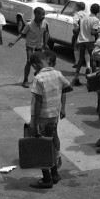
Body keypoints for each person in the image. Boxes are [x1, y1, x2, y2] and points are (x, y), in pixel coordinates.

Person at [29, 50, 73, 188]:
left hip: (41, 117)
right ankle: (55, 175)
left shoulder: (38, 78)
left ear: (35, 65)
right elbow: (69, 87)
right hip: (53, 116)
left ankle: (47, 179)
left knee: (41, 147)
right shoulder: (57, 74)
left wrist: (34, 124)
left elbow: (38, 103)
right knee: (52, 143)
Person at [8, 7, 49, 88]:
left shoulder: (45, 23)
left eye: (44, 15)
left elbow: (45, 33)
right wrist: (14, 41)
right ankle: (25, 80)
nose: (44, 16)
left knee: (40, 62)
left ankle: (39, 77)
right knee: (29, 61)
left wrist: (45, 44)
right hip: (30, 45)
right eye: (42, 15)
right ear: (36, 15)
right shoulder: (29, 25)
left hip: (39, 45)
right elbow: (22, 34)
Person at [72, 3, 100, 85]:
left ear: (91, 9)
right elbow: (93, 32)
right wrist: (99, 31)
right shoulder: (95, 20)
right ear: (98, 11)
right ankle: (94, 80)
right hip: (89, 41)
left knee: (80, 59)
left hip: (81, 40)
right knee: (93, 59)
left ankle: (76, 77)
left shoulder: (84, 18)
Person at [71, 2, 87, 68]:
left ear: (78, 7)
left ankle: (77, 61)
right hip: (86, 32)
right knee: (86, 49)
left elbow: (75, 22)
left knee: (76, 46)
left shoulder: (77, 14)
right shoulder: (87, 14)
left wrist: (77, 28)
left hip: (79, 32)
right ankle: (88, 66)